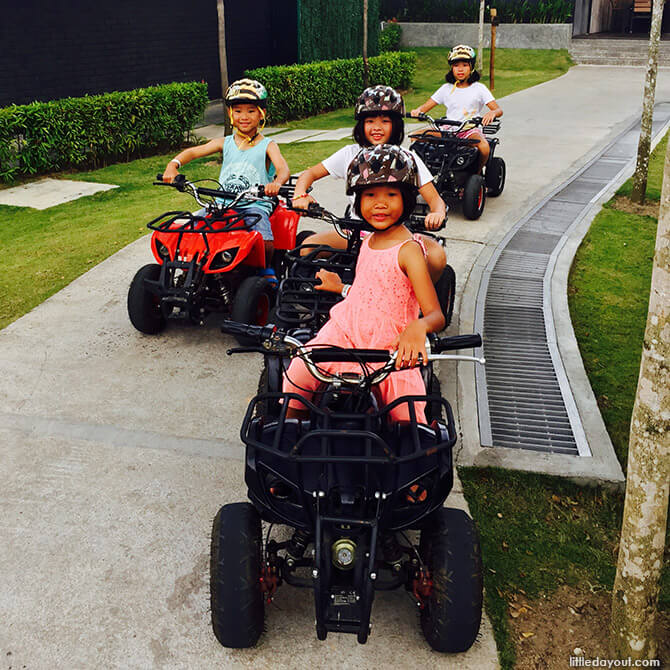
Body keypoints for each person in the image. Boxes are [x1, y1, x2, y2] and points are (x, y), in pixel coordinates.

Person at [283, 145, 445, 423]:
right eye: (370, 195)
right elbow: (372, 293)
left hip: (390, 347)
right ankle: (288, 433)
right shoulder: (368, 240)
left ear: (407, 199)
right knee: (297, 372)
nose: (380, 204)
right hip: (344, 334)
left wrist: (419, 326)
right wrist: (340, 289)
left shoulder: (410, 250)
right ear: (358, 200)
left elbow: (435, 315)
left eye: (391, 195)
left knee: (407, 414)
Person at [291, 85, 447, 282]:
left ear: (396, 124)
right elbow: (310, 173)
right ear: (361, 125)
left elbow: (435, 200)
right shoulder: (350, 153)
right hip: (354, 232)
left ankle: (417, 296)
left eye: (385, 121)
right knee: (308, 247)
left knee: (437, 257)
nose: (377, 127)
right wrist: (300, 195)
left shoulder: (407, 158)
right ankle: (319, 295)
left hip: (396, 234)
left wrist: (437, 213)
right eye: (370, 121)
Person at [162, 78, 290, 281]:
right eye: (238, 111)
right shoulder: (226, 142)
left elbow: (283, 169)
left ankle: (265, 270)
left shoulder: (268, 145)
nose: (244, 116)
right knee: (193, 226)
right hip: (221, 203)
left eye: (251, 110)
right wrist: (173, 165)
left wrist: (276, 183)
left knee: (261, 232)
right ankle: (192, 269)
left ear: (261, 114)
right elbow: (195, 152)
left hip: (253, 203)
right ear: (231, 114)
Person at [410, 44, 503, 171]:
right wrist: (418, 111)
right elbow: (425, 107)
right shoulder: (446, 89)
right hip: (448, 129)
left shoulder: (479, 88)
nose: (460, 69)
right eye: (456, 65)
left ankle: (476, 173)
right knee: (415, 136)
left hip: (470, 129)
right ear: (451, 68)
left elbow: (498, 110)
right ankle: (426, 172)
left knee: (484, 147)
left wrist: (492, 113)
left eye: (465, 65)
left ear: (471, 67)